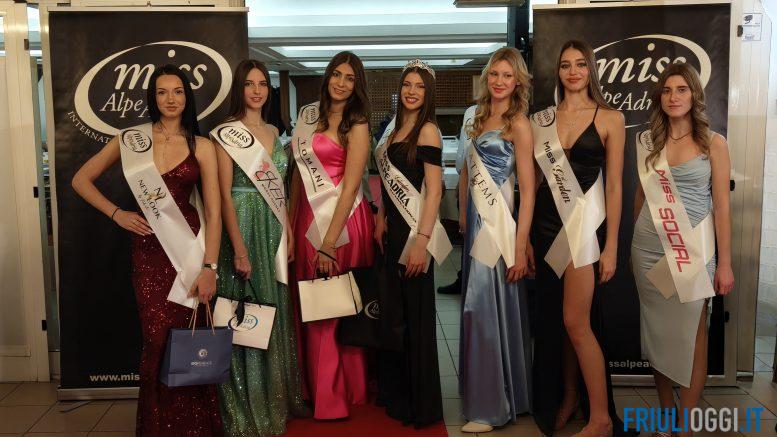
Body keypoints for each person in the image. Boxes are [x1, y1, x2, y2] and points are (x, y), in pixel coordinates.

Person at [71, 64, 223, 435]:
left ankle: (195, 427)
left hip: (189, 250)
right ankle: (158, 426)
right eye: (162, 92)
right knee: (156, 339)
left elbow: (215, 213)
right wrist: (116, 213)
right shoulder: (131, 140)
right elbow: (80, 179)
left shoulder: (202, 146)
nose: (171, 99)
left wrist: (209, 268)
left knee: (189, 335)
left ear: (187, 97)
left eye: (178, 91)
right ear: (152, 98)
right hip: (149, 251)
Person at [631, 62, 733, 437]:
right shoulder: (648, 142)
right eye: (667, 90)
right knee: (658, 334)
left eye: (682, 89)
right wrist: (634, 241)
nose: (673, 97)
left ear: (694, 95)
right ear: (660, 97)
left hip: (693, 252)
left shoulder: (713, 144)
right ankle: (665, 417)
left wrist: (725, 264)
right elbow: (641, 197)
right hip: (648, 249)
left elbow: (722, 207)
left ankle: (686, 424)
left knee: (693, 335)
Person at [530, 40, 625, 437]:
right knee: (558, 322)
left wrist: (612, 246)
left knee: (576, 321)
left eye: (580, 64)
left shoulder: (610, 118)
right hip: (545, 227)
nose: (573, 71)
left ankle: (601, 418)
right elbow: (534, 182)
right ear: (559, 71)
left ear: (591, 70)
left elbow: (615, 186)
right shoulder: (541, 120)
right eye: (566, 65)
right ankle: (569, 398)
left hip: (583, 227)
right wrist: (524, 238)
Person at [210, 59, 309, 436]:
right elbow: (223, 195)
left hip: (273, 226)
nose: (256, 90)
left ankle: (274, 397)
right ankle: (246, 404)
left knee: (271, 307)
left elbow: (281, 188)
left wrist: (288, 233)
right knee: (245, 311)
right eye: (249, 84)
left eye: (262, 84)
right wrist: (238, 249)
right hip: (242, 225)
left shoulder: (273, 130)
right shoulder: (225, 133)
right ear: (239, 89)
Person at [289, 51, 375, 420]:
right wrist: (289, 223)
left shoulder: (357, 123)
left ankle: (333, 398)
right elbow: (297, 175)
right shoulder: (309, 117)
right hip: (305, 218)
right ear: (327, 77)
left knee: (330, 305)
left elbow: (352, 185)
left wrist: (328, 243)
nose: (341, 83)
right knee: (314, 305)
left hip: (342, 222)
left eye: (349, 78)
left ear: (357, 86)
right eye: (337, 75)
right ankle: (331, 387)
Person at [457, 47, 535, 434]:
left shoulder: (518, 123)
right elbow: (467, 173)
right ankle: (500, 394)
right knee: (478, 305)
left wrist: (520, 246)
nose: (500, 81)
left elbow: (529, 191)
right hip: (475, 222)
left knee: (482, 306)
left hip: (498, 226)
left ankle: (489, 407)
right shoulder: (477, 117)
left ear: (517, 81)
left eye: (507, 75)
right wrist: (461, 218)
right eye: (494, 74)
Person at [373, 59, 451, 428]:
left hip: (416, 232)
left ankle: (421, 404)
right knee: (396, 314)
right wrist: (380, 215)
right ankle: (398, 394)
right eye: (407, 84)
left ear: (428, 93)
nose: (412, 91)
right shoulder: (393, 128)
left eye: (420, 86)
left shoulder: (429, 130)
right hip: (393, 232)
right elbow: (385, 180)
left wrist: (422, 241)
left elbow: (434, 190)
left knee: (416, 316)